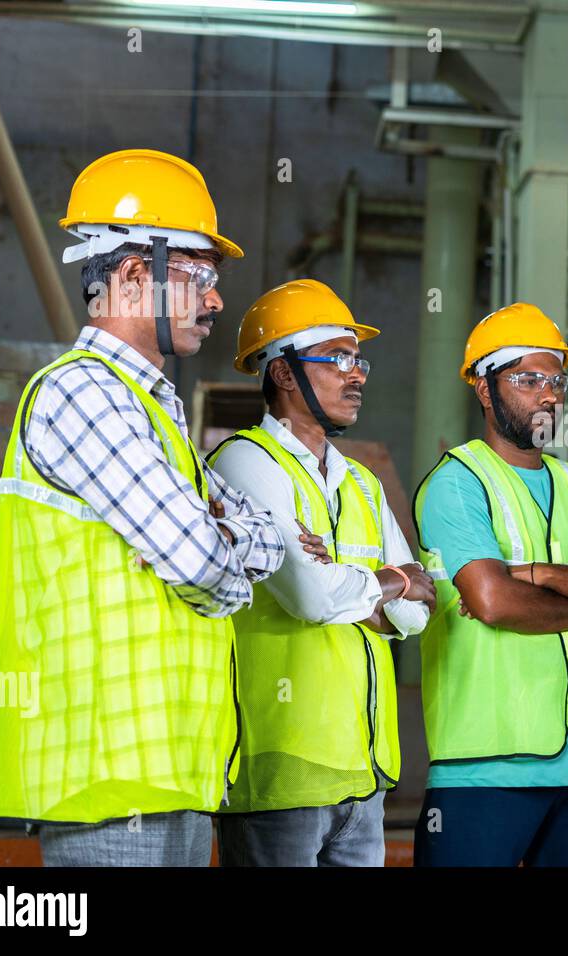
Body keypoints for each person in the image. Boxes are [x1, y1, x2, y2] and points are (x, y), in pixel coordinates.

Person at [0, 149, 284, 866]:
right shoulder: (84, 393)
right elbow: (204, 562)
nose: (215, 300)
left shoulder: (151, 408)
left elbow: (267, 542)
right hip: (105, 778)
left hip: (168, 769)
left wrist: (212, 540)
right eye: (200, 277)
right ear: (134, 274)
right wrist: (213, 552)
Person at [412, 302, 568, 866]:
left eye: (556, 380)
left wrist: (542, 576)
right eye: (528, 380)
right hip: (483, 765)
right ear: (483, 387)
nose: (549, 395)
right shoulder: (457, 483)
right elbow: (493, 602)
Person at [209, 278, 435, 866]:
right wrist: (390, 579)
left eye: (359, 360)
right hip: (279, 766)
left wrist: (354, 583)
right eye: (338, 359)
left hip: (364, 770)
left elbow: (418, 612)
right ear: (284, 373)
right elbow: (310, 598)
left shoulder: (360, 481)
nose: (356, 374)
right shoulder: (242, 461)